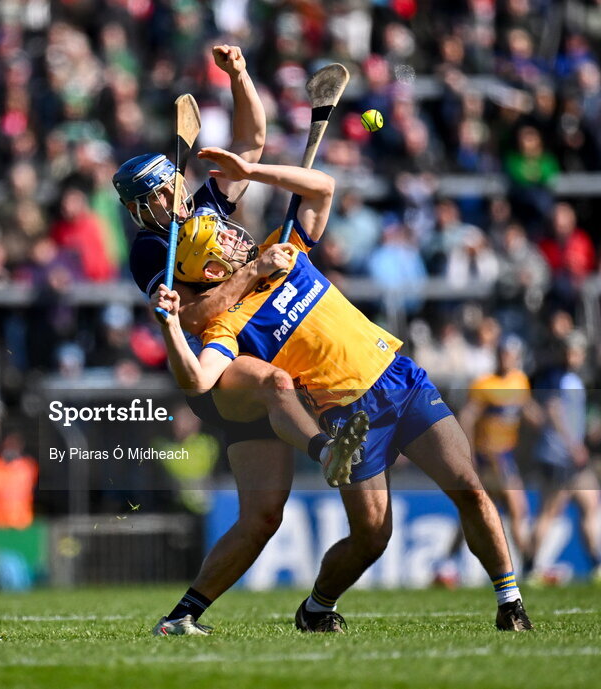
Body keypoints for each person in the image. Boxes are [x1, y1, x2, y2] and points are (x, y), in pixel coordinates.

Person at [154, 145, 534, 632]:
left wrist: (252, 171)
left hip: (401, 377)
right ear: (211, 270)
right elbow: (199, 378)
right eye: (221, 240)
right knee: (373, 536)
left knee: (471, 490)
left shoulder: (284, 249)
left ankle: (511, 603)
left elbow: (322, 187)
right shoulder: (225, 326)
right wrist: (170, 327)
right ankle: (317, 608)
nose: (234, 235)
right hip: (349, 417)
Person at [112, 45, 366, 636]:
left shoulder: (205, 204)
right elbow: (197, 316)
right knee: (278, 384)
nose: (164, 200)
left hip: (257, 340)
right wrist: (253, 273)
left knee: (262, 516)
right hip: (221, 366)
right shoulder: (151, 250)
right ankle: (329, 452)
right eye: (150, 199)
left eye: (164, 189)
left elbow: (250, 145)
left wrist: (240, 76)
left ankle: (181, 617)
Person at [436, 336, 541, 586]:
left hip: (506, 455)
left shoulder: (520, 381)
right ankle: (527, 565)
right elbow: (468, 416)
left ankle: (447, 563)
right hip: (489, 457)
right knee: (513, 507)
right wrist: (468, 452)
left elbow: (524, 408)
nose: (507, 358)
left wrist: (543, 423)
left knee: (481, 512)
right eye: (503, 353)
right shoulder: (484, 383)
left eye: (511, 354)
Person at [526, 331, 601, 581]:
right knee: (548, 512)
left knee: (590, 506)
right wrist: (573, 445)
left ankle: (596, 564)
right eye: (570, 351)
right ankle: (530, 567)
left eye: (577, 352)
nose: (574, 356)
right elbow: (554, 412)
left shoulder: (574, 379)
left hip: (573, 458)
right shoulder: (557, 377)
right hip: (559, 456)